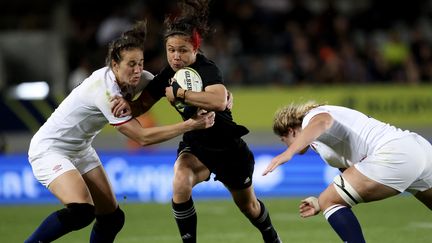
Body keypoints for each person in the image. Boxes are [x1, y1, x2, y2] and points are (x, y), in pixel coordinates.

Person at [25, 20, 215, 243]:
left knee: (112, 219)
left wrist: (219, 98)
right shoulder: (104, 90)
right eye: (131, 64)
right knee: (82, 211)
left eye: (140, 63)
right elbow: (141, 137)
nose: (137, 71)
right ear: (114, 65)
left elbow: (179, 90)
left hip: (80, 149)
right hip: (50, 149)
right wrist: (189, 125)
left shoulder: (141, 78)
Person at [111, 1, 281, 242]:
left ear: (195, 49)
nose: (176, 57)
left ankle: (271, 236)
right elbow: (140, 106)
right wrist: (123, 104)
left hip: (228, 147)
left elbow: (220, 100)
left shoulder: (207, 68)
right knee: (180, 179)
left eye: (182, 50)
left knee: (249, 207)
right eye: (171, 50)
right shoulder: (166, 76)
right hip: (197, 144)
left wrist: (180, 93)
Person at [263, 101, 432, 242]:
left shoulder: (311, 118)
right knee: (328, 199)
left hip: (396, 152)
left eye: (283, 140)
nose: (284, 144)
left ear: (291, 131)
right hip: (419, 148)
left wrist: (288, 153)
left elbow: (322, 122)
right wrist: (319, 202)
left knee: (330, 201)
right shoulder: (320, 144)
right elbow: (351, 177)